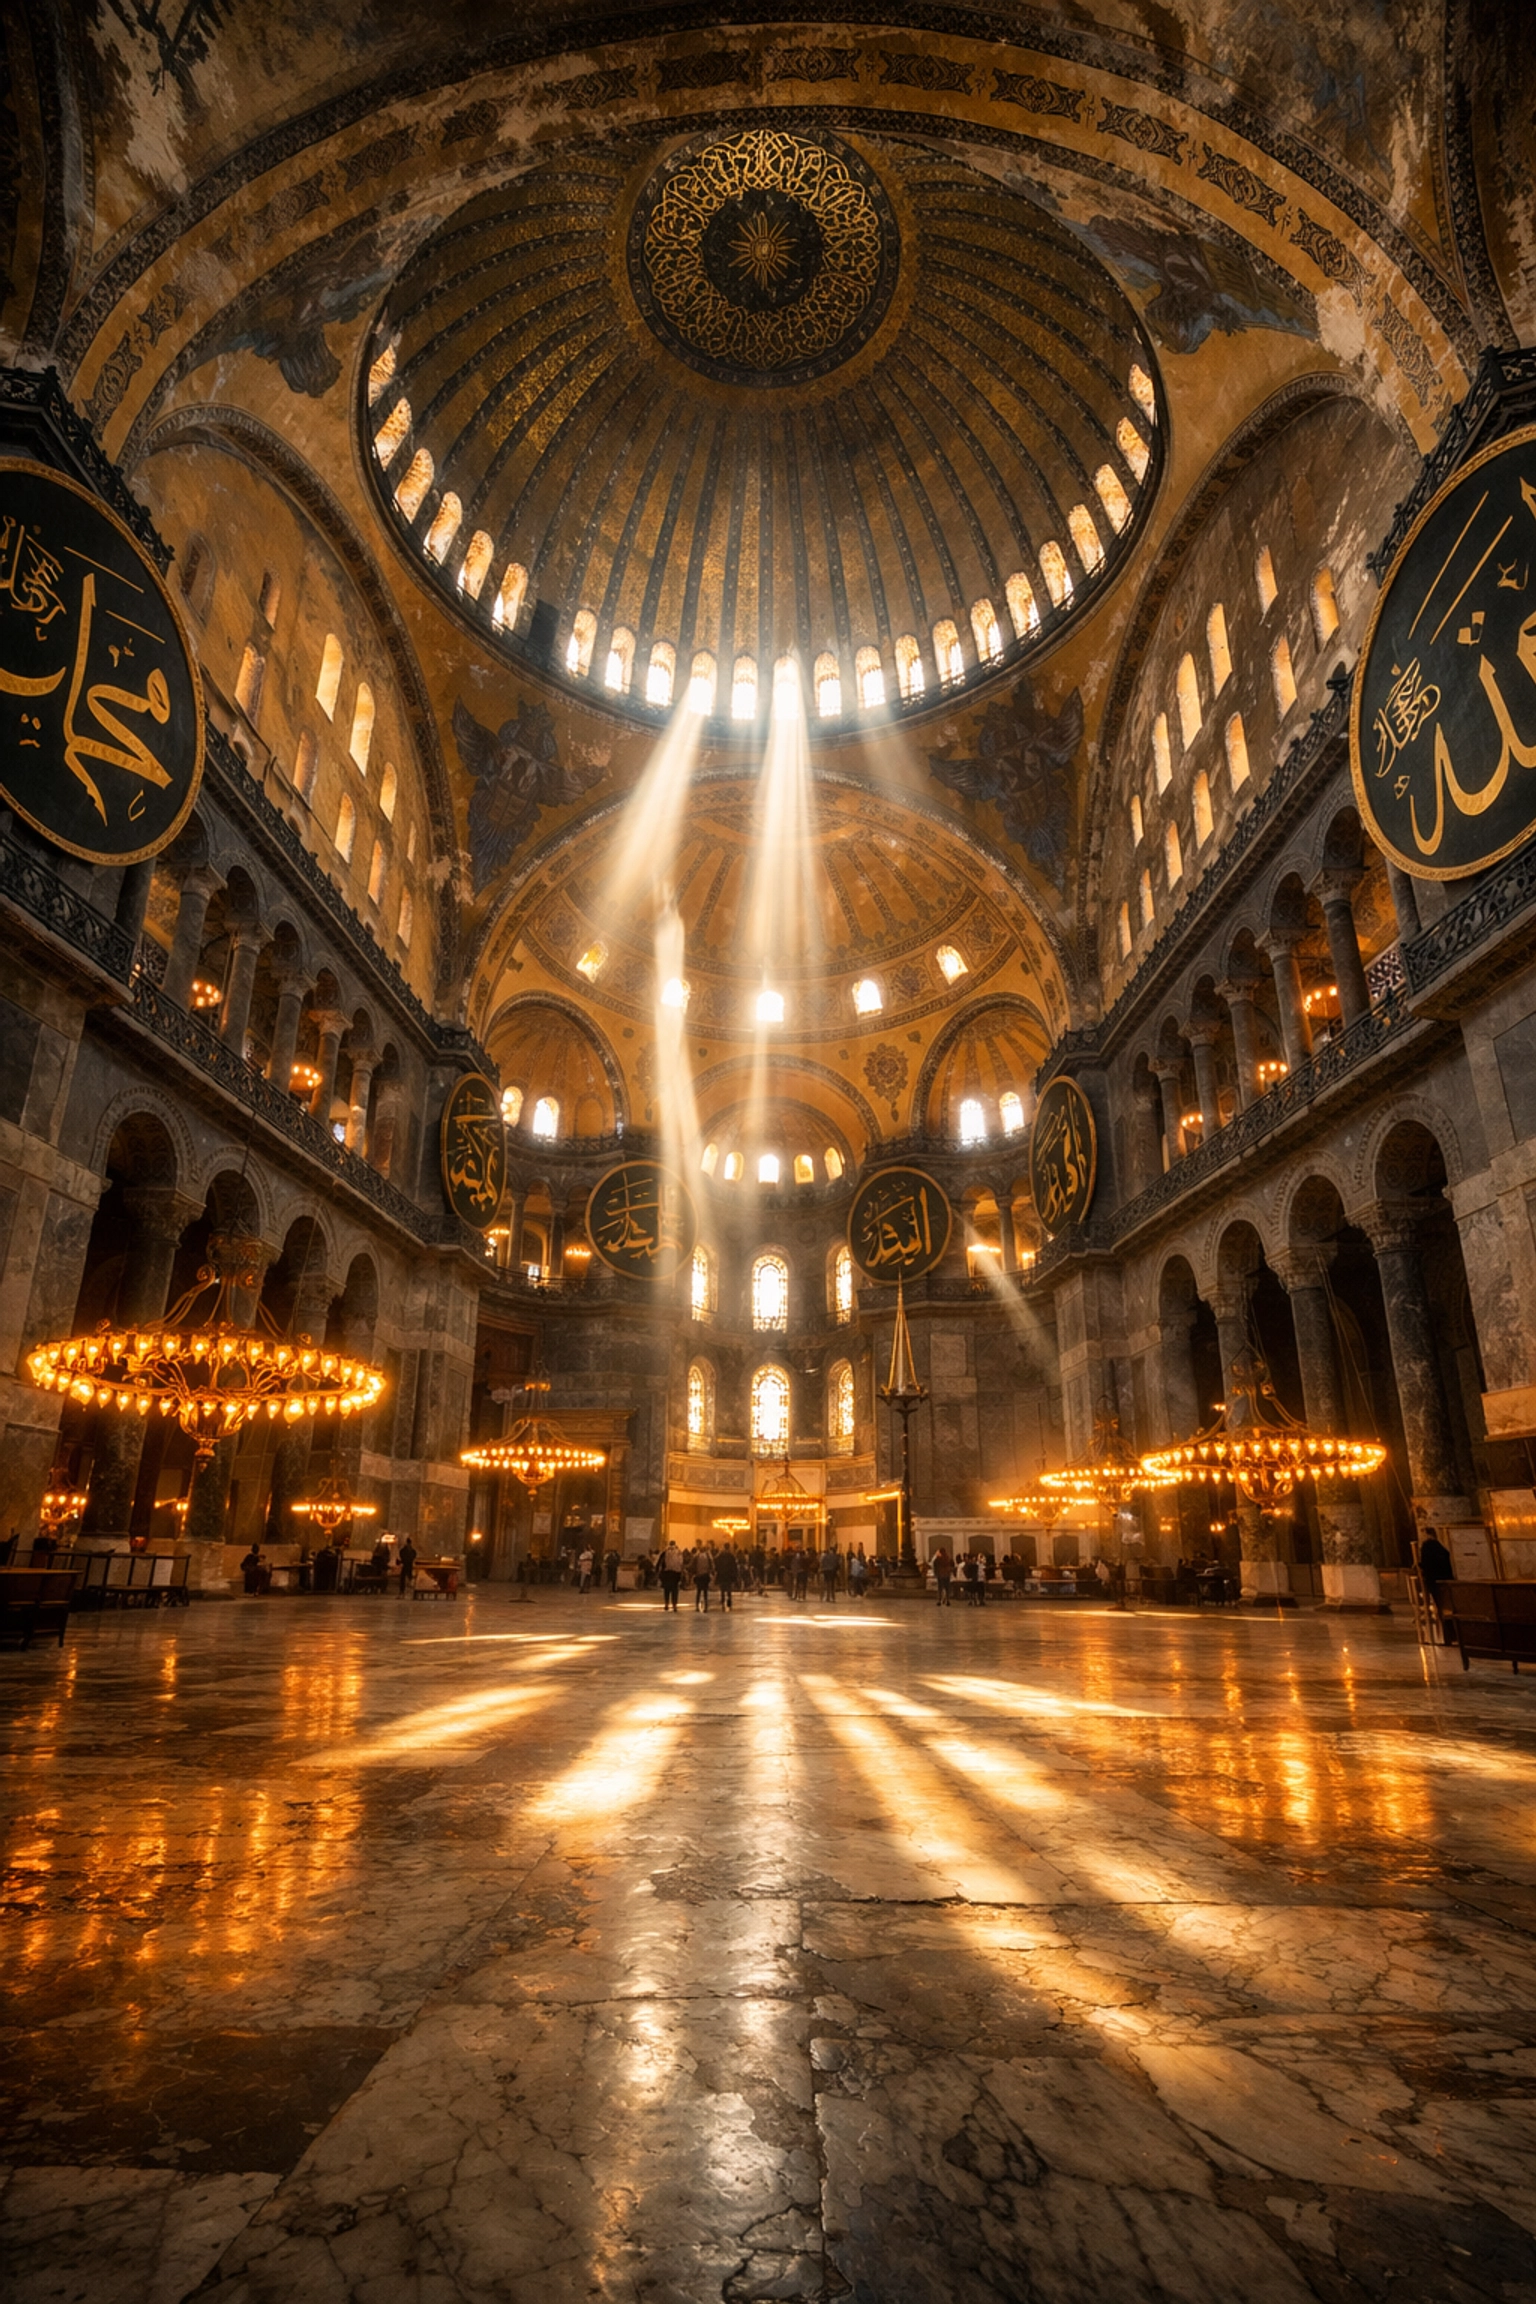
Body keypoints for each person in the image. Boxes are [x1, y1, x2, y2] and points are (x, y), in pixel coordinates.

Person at [1418, 1530, 1455, 1642]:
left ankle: (1448, 1635)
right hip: (1446, 1580)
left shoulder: (1427, 1546)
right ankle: (1452, 1634)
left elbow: (1427, 1564)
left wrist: (1419, 1566)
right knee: (1448, 1607)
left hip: (1434, 1581)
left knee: (1441, 1608)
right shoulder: (1441, 1547)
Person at [660, 1540, 683, 1611]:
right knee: (675, 1590)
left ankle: (666, 1604)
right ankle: (674, 1605)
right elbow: (681, 1562)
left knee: (666, 1590)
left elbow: (660, 1562)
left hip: (667, 1573)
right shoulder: (678, 1552)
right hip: (676, 1573)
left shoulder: (665, 1551)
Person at [716, 1543, 739, 1611]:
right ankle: (729, 1603)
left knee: (722, 1590)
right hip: (729, 1575)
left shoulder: (720, 1556)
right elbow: (734, 1566)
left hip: (722, 1575)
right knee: (729, 1589)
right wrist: (735, 1575)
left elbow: (716, 1563)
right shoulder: (731, 1556)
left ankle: (723, 1602)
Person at [693, 1543, 715, 1612]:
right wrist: (712, 1572)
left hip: (699, 1576)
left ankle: (697, 1606)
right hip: (705, 1576)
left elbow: (693, 1565)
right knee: (705, 1592)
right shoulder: (708, 1556)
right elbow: (712, 1565)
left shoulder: (697, 1556)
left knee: (698, 1592)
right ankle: (706, 1607)